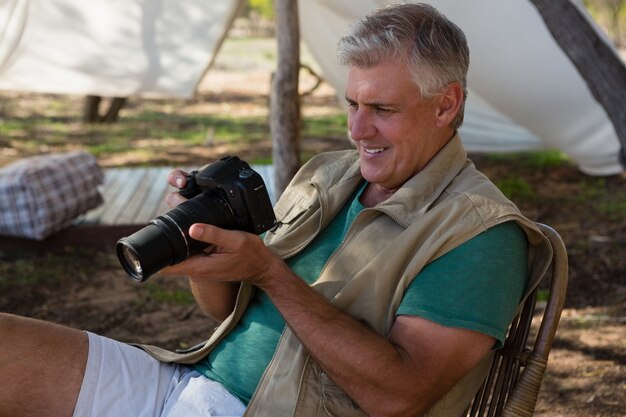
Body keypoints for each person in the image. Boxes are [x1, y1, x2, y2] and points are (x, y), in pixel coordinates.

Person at [0, 3, 551, 417]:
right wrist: (205, 251)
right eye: (352, 104)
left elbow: (400, 396)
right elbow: (225, 311)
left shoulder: (480, 235)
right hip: (184, 383)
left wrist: (270, 272)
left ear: (446, 104)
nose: (358, 131)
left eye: (382, 109)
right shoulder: (328, 175)